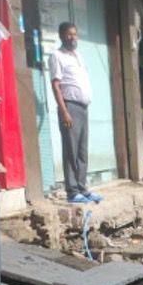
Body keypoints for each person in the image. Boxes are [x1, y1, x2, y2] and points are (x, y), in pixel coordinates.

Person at [49, 22, 102, 204]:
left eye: (75, 34)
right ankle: (72, 191)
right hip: (69, 107)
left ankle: (82, 188)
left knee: (82, 151)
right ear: (61, 36)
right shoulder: (57, 56)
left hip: (83, 107)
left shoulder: (78, 56)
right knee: (70, 150)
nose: (73, 37)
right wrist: (64, 112)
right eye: (69, 34)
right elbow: (56, 85)